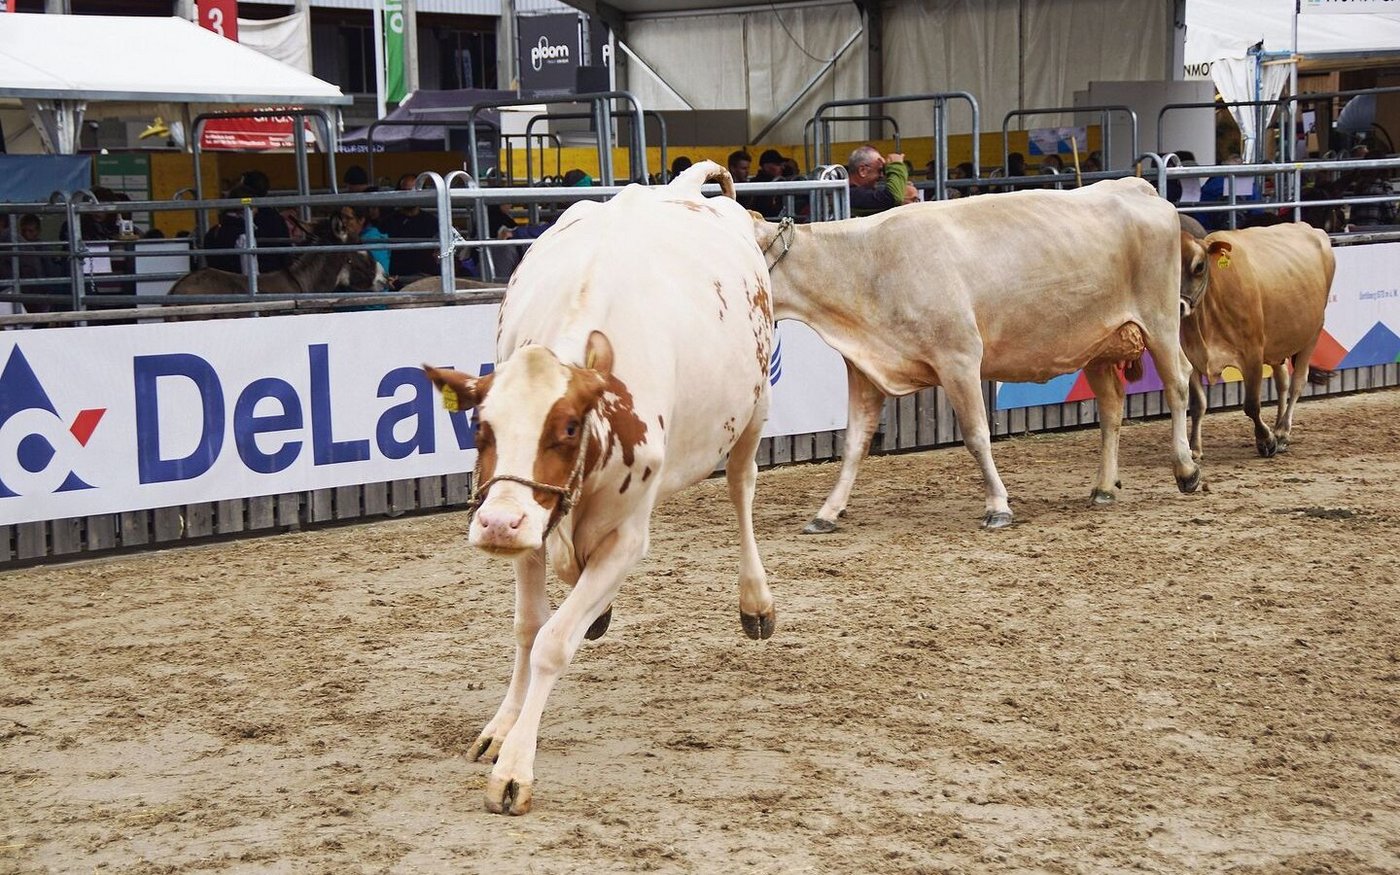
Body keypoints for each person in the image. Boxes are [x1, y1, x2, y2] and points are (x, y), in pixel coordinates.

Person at [380, 172, 439, 284]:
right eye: (404, 191)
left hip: (426, 280)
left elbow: (445, 250)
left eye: (413, 191)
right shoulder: (388, 222)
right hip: (397, 280)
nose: (409, 195)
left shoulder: (432, 221)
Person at [236, 169, 290, 270]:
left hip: (255, 272)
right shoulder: (275, 217)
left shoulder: (242, 218)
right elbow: (286, 251)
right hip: (278, 272)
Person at [846, 144, 913, 216]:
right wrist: (896, 165)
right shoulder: (851, 195)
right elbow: (893, 197)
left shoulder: (853, 194)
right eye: (879, 170)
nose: (882, 176)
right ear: (862, 170)